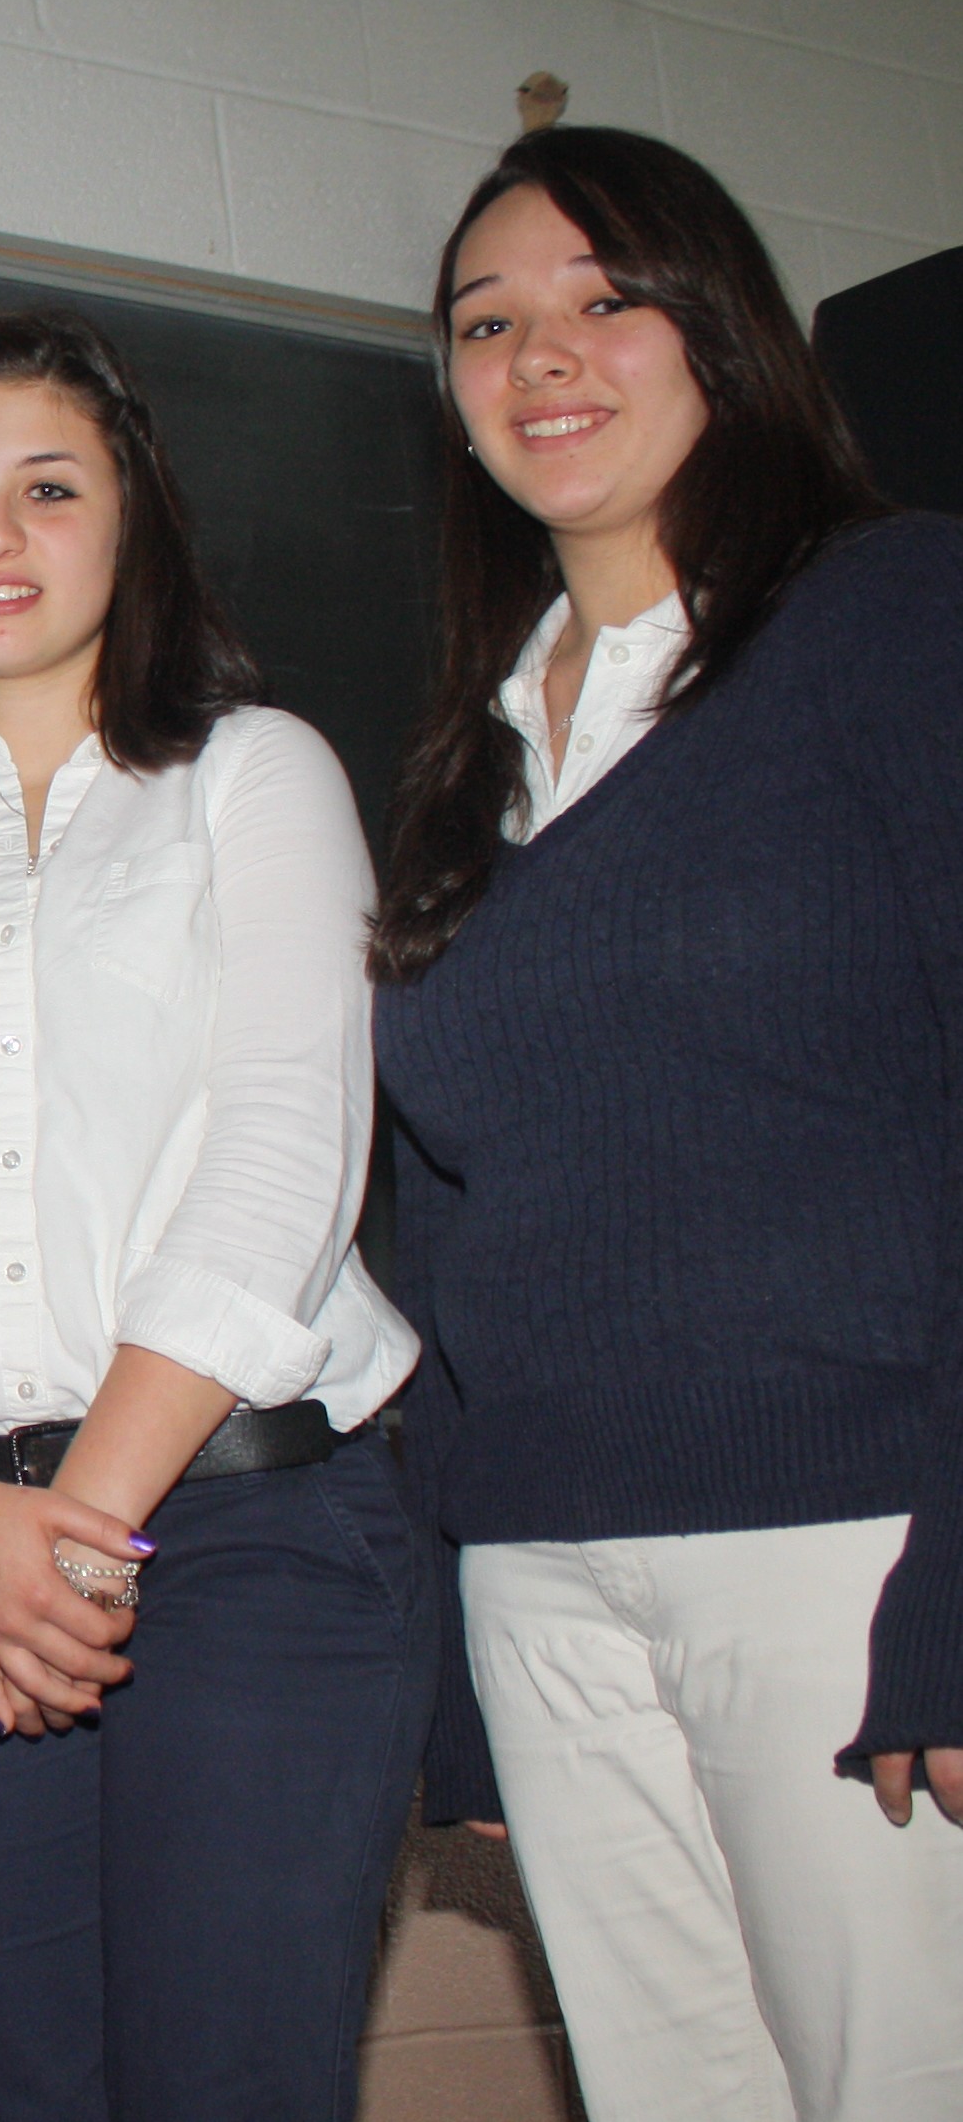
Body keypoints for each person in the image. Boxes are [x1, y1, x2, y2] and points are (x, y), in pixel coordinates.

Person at [0, 310, 425, 2122]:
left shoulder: (256, 770)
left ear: (131, 520)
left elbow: (283, 1157)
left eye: (48, 489)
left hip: (251, 1541)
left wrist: (82, 1532)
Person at [372, 126, 963, 2122]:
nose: (539, 354)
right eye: (485, 324)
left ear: (720, 327)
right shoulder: (466, 757)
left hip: (847, 1551)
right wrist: (460, 1659)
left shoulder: (894, 611)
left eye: (603, 297)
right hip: (544, 1586)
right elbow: (441, 1238)